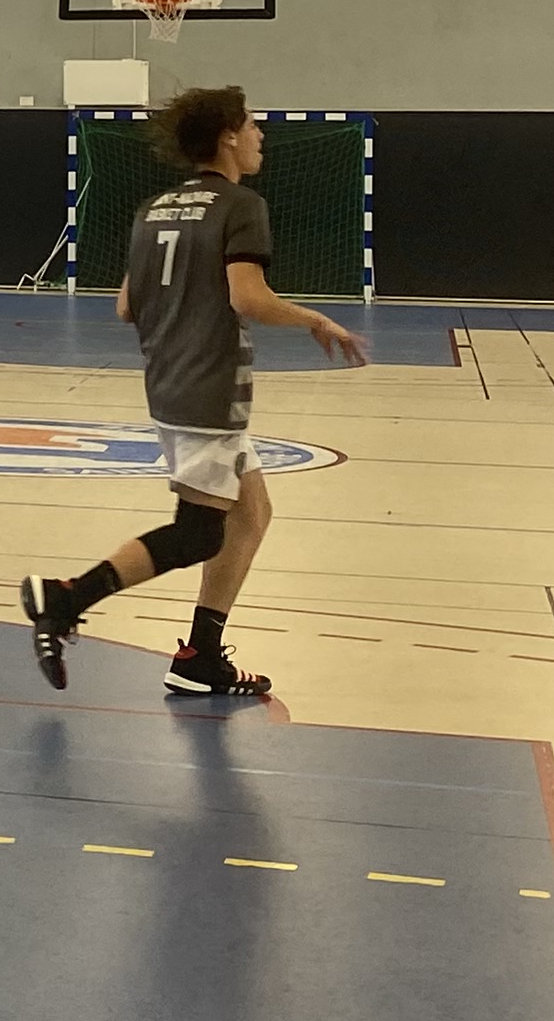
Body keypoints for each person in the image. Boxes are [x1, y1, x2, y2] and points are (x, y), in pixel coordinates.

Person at [21, 82, 368, 703]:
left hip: (169, 384)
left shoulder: (154, 208)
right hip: (210, 391)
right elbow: (248, 298)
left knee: (252, 514)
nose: (261, 135)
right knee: (200, 533)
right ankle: (66, 597)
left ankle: (201, 655)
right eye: (253, 125)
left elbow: (127, 306)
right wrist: (316, 319)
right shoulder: (241, 205)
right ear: (228, 135)